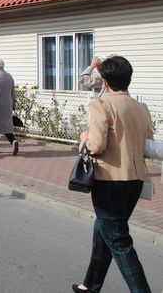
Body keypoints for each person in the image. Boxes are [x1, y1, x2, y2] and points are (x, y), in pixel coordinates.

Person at [73, 56, 153, 293]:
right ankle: (90, 285)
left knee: (118, 241)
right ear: (128, 79)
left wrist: (84, 137)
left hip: (109, 181)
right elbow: (147, 142)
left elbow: (96, 145)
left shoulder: (102, 105)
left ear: (105, 82)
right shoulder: (140, 107)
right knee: (104, 230)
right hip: (136, 180)